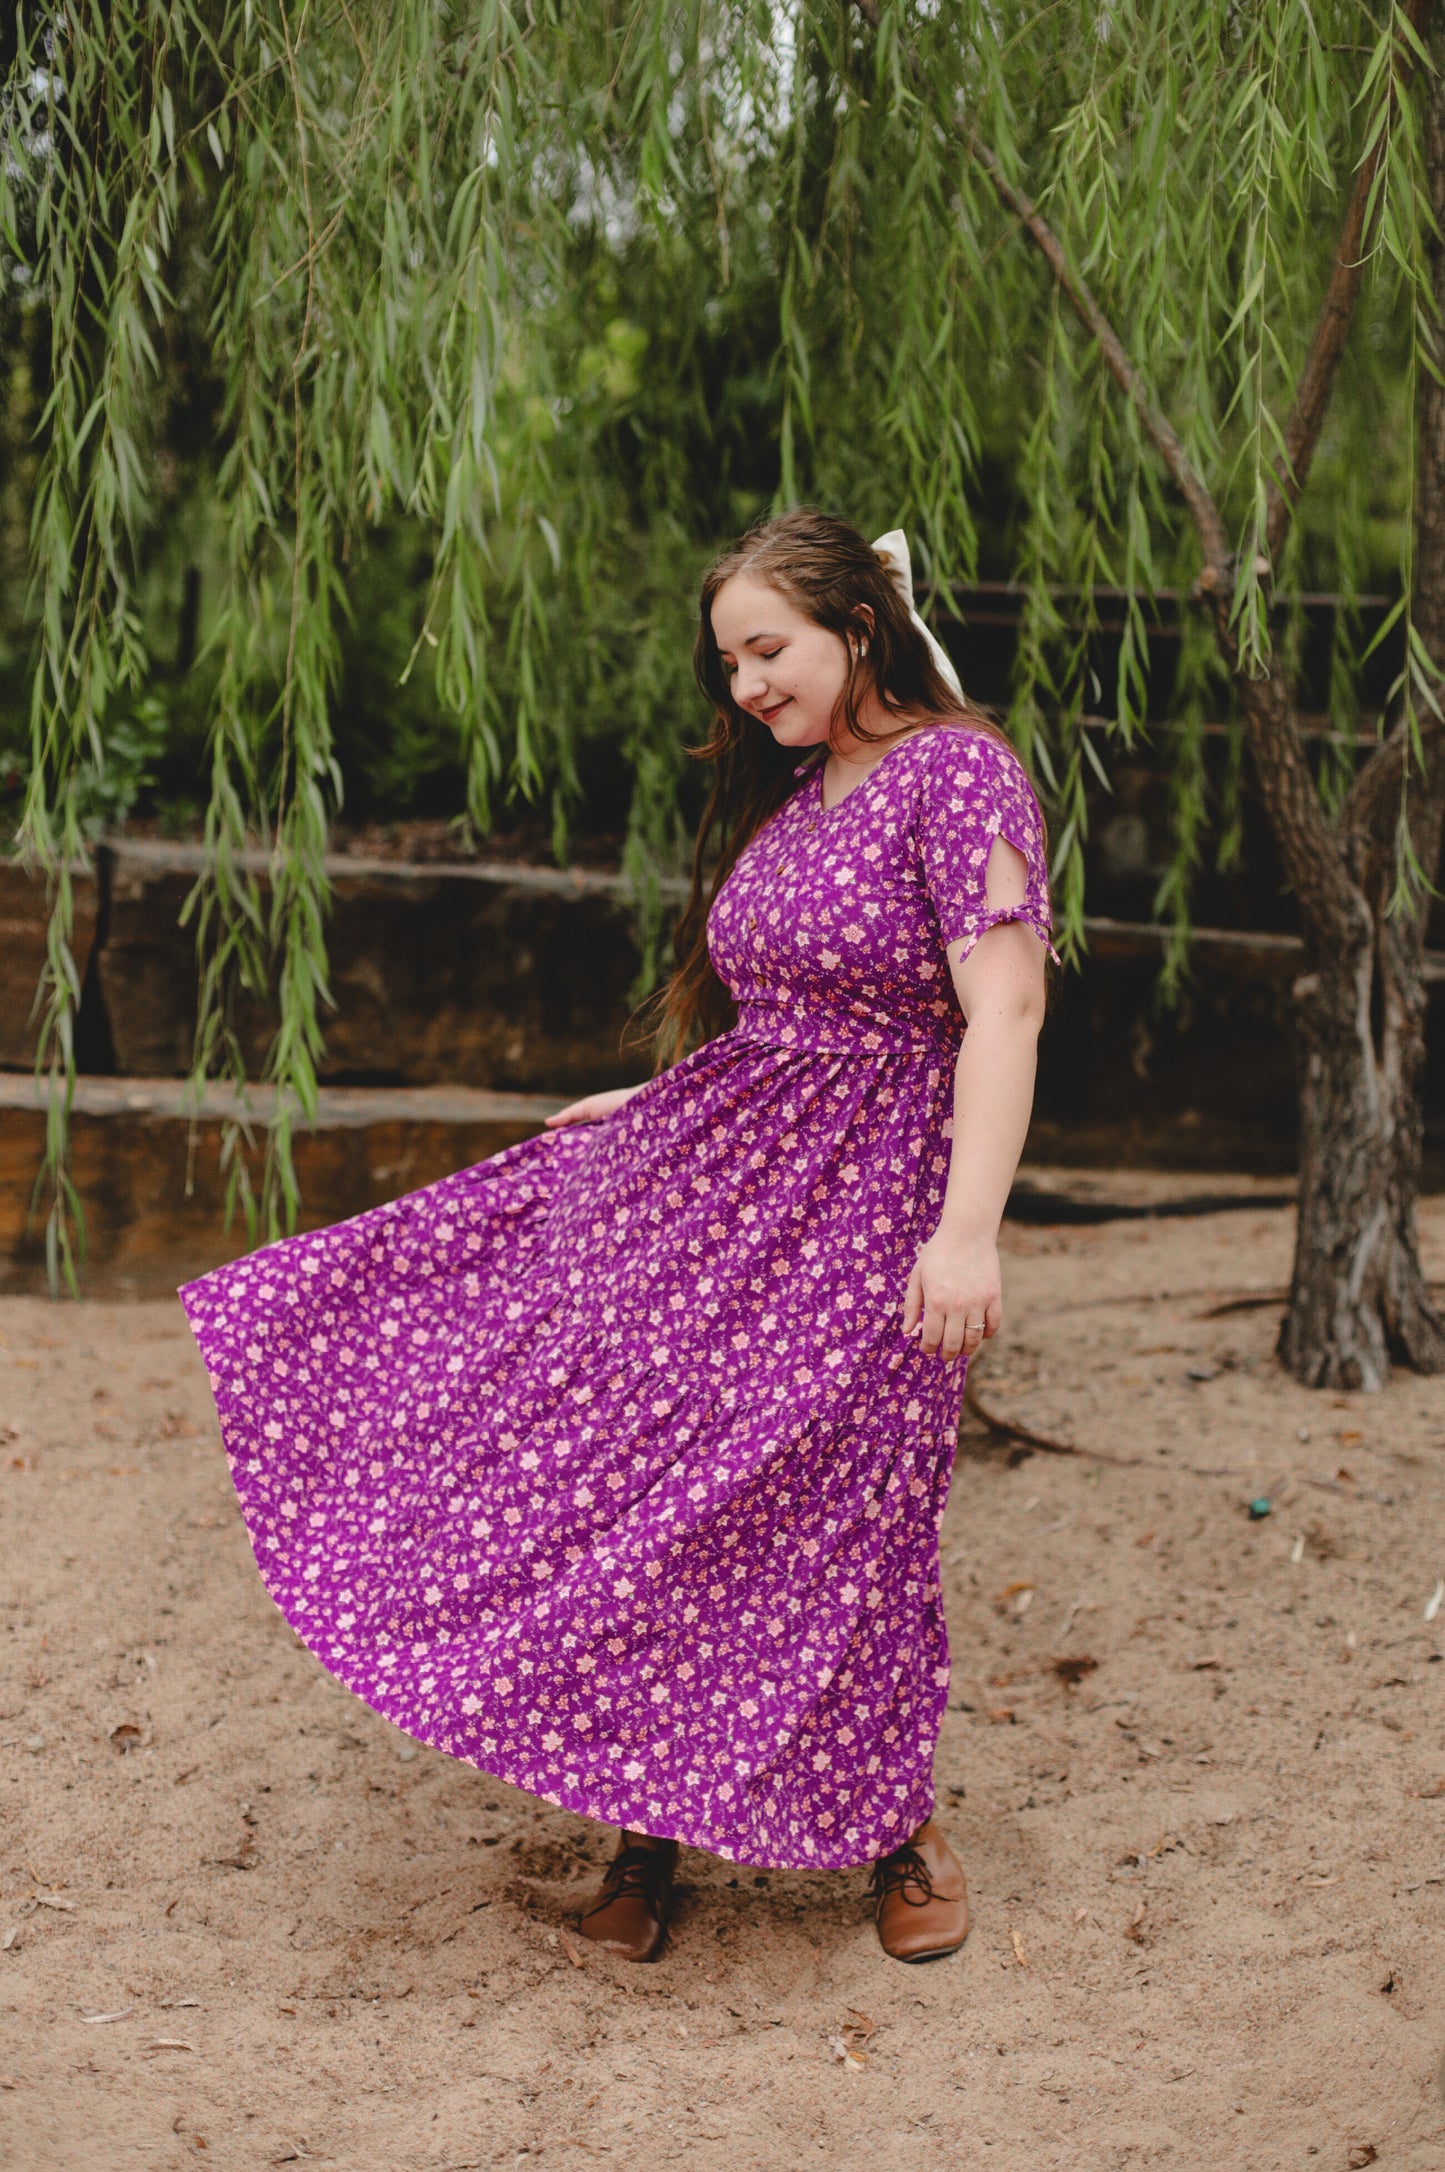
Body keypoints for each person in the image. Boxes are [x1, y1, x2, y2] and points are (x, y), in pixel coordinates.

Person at [177, 507, 1057, 1969]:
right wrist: (657, 1110)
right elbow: (787, 1021)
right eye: (729, 662)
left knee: (850, 1509)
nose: (746, 687)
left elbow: (1003, 1014)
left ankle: (897, 1829)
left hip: (864, 1215)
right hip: (722, 1193)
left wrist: (966, 1236)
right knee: (649, 1480)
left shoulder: (956, 776)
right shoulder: (807, 803)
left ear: (857, 621)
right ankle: (648, 1828)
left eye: (767, 648)